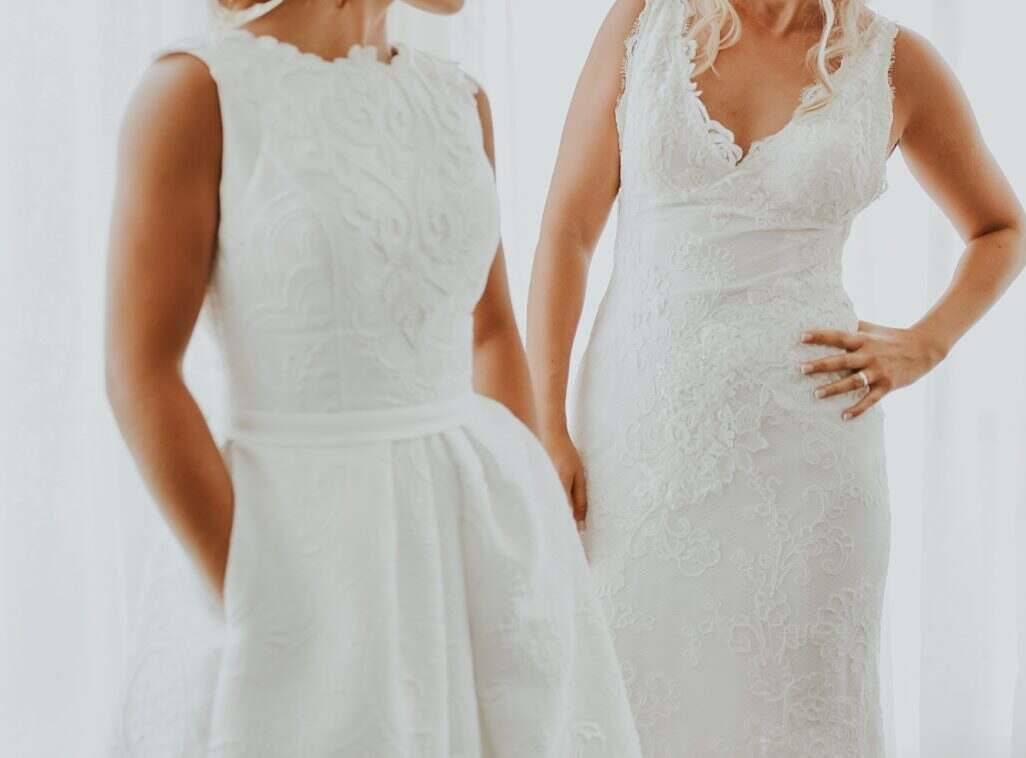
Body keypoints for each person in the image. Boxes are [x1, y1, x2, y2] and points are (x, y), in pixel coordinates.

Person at [104, 0, 640, 754]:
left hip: (468, 549)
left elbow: (488, 332)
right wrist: (256, 595)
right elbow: (141, 372)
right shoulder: (196, 93)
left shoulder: (461, 101)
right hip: (297, 547)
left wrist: (530, 553)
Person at [526, 0, 1026, 753]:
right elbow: (568, 229)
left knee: (794, 716)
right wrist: (547, 423)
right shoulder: (644, 20)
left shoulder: (896, 63)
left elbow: (1001, 230)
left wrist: (927, 342)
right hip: (635, 445)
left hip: (811, 462)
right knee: (624, 692)